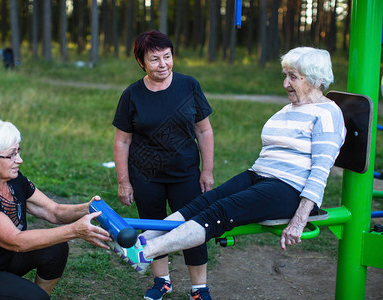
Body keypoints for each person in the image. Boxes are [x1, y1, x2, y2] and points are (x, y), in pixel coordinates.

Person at [110, 47, 346, 298]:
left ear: (317, 79)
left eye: (293, 77)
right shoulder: (290, 109)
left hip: (289, 188)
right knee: (203, 202)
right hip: (259, 175)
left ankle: (144, 253)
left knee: (220, 211)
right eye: (285, 75)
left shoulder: (328, 115)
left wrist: (300, 219)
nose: (286, 83)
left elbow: (321, 171)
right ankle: (141, 240)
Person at [0, 116, 111, 300]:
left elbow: (53, 211)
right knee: (34, 297)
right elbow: (17, 241)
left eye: (18, 152)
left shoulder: (14, 180)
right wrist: (75, 230)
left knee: (56, 249)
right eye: (11, 155)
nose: (19, 160)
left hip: (5, 259)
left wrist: (89, 208)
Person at [112, 30, 214, 300]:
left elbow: (204, 131)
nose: (163, 64)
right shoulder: (132, 94)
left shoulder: (189, 85)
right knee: (153, 228)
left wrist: (207, 171)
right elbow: (122, 141)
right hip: (146, 177)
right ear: (141, 62)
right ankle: (162, 281)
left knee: (193, 228)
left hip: (186, 174)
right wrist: (124, 181)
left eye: (167, 57)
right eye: (154, 59)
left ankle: (199, 287)